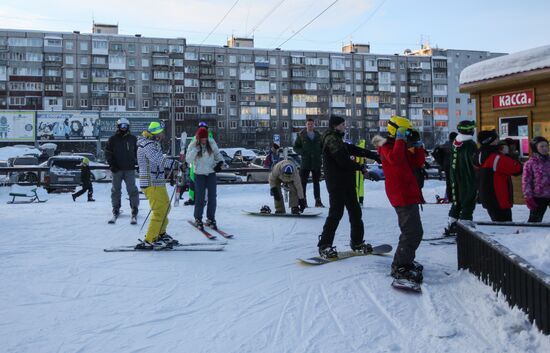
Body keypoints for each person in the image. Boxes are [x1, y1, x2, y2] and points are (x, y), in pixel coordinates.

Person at [317, 115, 380, 259]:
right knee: (336, 213)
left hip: (346, 182)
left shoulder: (337, 139)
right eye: (342, 124)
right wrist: (361, 168)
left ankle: (357, 243)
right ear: (335, 126)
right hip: (337, 183)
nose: (345, 127)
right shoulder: (331, 140)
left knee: (355, 212)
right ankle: (324, 245)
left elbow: (351, 148)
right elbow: (343, 161)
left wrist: (373, 155)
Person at [372, 115, 425, 283]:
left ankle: (405, 262)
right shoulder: (385, 146)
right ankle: (400, 265)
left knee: (414, 231)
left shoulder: (399, 146)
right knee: (412, 232)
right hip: (401, 194)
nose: (405, 135)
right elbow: (395, 160)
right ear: (395, 131)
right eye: (403, 131)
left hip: (409, 192)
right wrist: (401, 141)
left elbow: (417, 162)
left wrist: (417, 145)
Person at [135, 121, 179, 249]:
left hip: (158, 181)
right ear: (155, 133)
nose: (162, 134)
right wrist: (175, 164)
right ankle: (150, 239)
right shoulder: (147, 145)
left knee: (166, 207)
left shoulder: (153, 144)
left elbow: (159, 159)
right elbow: (157, 159)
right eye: (160, 132)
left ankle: (160, 233)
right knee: (159, 210)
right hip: (150, 182)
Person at [475, 130, 522, 222]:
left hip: (488, 198)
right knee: (505, 227)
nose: (499, 140)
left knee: (497, 223)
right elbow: (517, 169)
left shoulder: (480, 155)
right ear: (492, 141)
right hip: (499, 199)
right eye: (497, 138)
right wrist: (510, 153)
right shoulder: (496, 158)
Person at [186, 127, 224, 230]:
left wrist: (220, 163)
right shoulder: (193, 144)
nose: (204, 141)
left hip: (211, 173)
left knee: (212, 197)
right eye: (202, 139)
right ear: (198, 138)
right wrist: (195, 149)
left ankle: (211, 218)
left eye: (205, 139)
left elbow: (217, 154)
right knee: (200, 198)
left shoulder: (211, 142)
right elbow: (188, 159)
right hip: (199, 174)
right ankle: (198, 218)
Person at [446, 120, 478, 235]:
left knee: (456, 201)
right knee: (468, 201)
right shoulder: (470, 145)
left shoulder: (456, 142)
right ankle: (465, 227)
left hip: (454, 177)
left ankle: (452, 223)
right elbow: (475, 163)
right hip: (467, 177)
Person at [104, 118, 140, 220]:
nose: (123, 128)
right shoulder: (113, 139)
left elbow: (138, 153)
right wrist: (112, 164)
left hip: (129, 169)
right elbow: (107, 153)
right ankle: (115, 208)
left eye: (125, 126)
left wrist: (139, 164)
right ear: (118, 127)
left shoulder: (133, 139)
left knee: (132, 189)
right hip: (117, 169)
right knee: (116, 190)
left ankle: (134, 207)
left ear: (128, 127)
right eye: (122, 126)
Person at [293, 118, 324, 208]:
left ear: (314, 125)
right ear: (306, 125)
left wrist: (319, 152)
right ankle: (303, 201)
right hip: (305, 162)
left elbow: (323, 146)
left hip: (316, 162)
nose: (310, 125)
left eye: (312, 124)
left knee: (316, 182)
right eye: (309, 124)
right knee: (303, 183)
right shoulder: (301, 135)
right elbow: (295, 147)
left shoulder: (318, 135)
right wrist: (302, 152)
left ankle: (318, 201)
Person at [522, 136, 550, 223]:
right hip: (538, 197)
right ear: (535, 148)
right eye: (542, 146)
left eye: (546, 146)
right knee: (534, 222)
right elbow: (526, 182)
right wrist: (528, 197)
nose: (545, 148)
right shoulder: (530, 163)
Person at [184, 121, 211, 206]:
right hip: (194, 164)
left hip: (203, 165)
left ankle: (203, 200)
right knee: (192, 182)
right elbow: (190, 148)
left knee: (202, 184)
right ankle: (192, 199)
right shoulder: (195, 136)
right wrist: (187, 159)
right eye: (200, 127)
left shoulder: (209, 137)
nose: (201, 129)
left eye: (203, 127)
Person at [432, 132, 458, 202]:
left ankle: (450, 197)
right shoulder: (457, 145)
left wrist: (441, 163)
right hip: (455, 166)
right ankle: (456, 197)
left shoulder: (444, 145)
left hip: (446, 166)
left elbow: (436, 153)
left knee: (449, 182)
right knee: (457, 181)